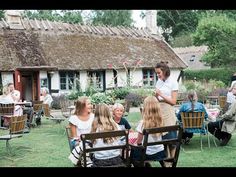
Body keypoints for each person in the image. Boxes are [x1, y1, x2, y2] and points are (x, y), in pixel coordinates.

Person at [130, 96, 166, 167]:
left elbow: (139, 142)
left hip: (147, 154)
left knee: (133, 153)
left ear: (145, 108)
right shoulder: (161, 121)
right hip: (160, 152)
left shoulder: (143, 123)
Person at [154, 61, 178, 158]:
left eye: (159, 73)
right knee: (162, 139)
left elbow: (173, 101)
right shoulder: (159, 82)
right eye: (156, 73)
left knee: (171, 139)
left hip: (168, 111)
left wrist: (161, 95)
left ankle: (172, 161)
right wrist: (156, 96)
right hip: (159, 111)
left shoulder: (173, 82)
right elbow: (157, 98)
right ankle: (165, 161)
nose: (157, 75)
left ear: (165, 71)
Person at [68, 96, 94, 166]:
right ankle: (87, 163)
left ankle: (88, 162)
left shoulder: (93, 117)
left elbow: (95, 133)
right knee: (83, 146)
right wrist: (81, 141)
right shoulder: (74, 118)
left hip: (91, 141)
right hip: (77, 142)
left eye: (91, 104)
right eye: (88, 104)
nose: (91, 106)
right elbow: (74, 137)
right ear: (82, 106)